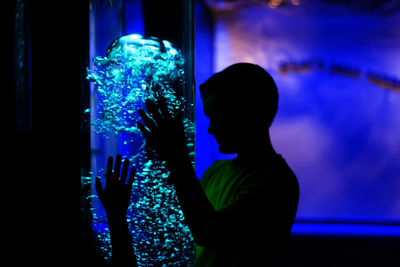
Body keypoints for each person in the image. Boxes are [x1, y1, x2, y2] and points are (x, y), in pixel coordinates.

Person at [97, 62, 299, 266]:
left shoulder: (276, 181)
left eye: (218, 118)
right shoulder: (216, 171)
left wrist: (176, 156)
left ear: (247, 115)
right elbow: (185, 222)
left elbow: (208, 232)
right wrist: (117, 213)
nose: (211, 129)